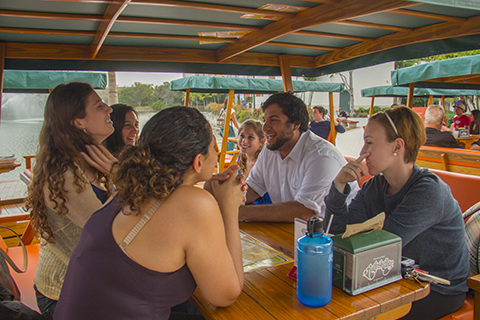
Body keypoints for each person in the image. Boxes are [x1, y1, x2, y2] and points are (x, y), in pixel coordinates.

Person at [54, 107, 245, 320]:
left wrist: (210, 191)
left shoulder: (130, 188)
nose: (217, 151)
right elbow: (225, 295)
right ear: (198, 162)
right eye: (214, 146)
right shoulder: (195, 204)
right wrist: (229, 209)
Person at [324, 106, 469, 320]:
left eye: (370, 142)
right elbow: (337, 235)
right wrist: (337, 188)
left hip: (436, 289)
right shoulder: (375, 186)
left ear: (398, 146)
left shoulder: (428, 191)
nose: (363, 152)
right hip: (392, 277)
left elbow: (383, 248)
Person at [25, 82, 115, 319]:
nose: (109, 109)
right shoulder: (64, 173)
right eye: (99, 105)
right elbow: (110, 232)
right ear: (78, 122)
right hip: (64, 294)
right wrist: (121, 177)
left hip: (92, 283)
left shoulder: (90, 160)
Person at [239, 92, 359, 222]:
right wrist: (224, 200)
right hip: (295, 231)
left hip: (335, 236)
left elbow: (304, 211)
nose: (265, 127)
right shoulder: (269, 151)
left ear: (296, 124)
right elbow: (252, 189)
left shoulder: (321, 156)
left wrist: (243, 212)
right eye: (265, 120)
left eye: (274, 120)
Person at [237, 119, 271, 204]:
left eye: (251, 137)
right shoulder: (241, 157)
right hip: (244, 201)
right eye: (242, 136)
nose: (244, 141)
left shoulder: (264, 163)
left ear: (262, 141)